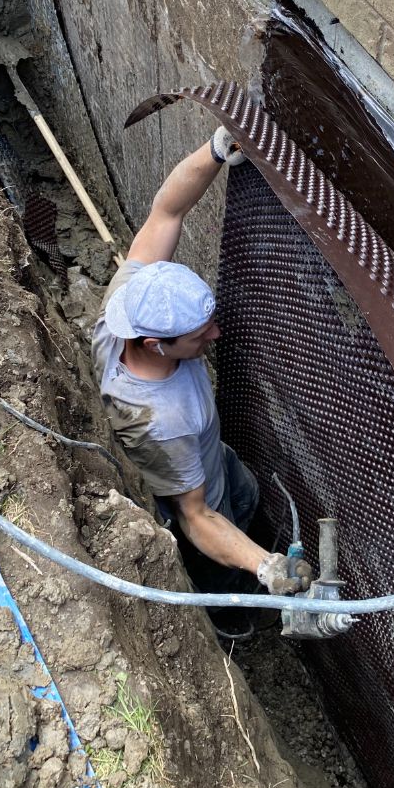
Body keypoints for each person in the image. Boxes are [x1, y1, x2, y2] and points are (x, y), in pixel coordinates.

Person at [91, 126, 312, 602]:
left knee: (246, 493)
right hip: (196, 492)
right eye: (199, 335)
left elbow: (167, 211)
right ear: (155, 344)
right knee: (222, 566)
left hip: (212, 454)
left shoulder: (129, 304)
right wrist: (265, 565)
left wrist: (214, 151)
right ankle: (231, 617)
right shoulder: (162, 423)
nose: (215, 336)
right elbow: (196, 517)